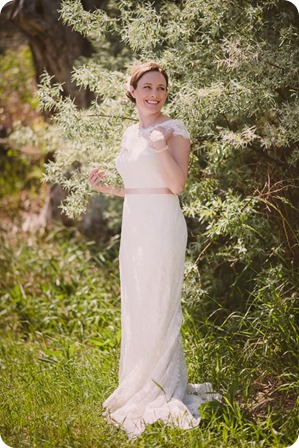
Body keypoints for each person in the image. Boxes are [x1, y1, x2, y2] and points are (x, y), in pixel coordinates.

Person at [88, 61, 219, 438]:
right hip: (135, 223)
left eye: (161, 88)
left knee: (160, 302)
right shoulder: (130, 132)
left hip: (162, 226)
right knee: (138, 301)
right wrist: (109, 190)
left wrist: (161, 148)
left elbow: (175, 186)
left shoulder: (173, 129)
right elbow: (141, 187)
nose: (154, 94)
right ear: (132, 90)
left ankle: (162, 387)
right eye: (147, 87)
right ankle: (139, 381)